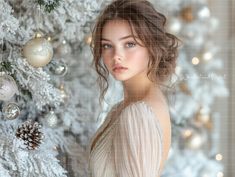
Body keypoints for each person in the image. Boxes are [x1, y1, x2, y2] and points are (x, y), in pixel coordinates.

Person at [87, 0, 180, 176]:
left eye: (129, 44)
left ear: (151, 44)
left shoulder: (138, 113)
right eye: (107, 45)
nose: (117, 56)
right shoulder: (126, 107)